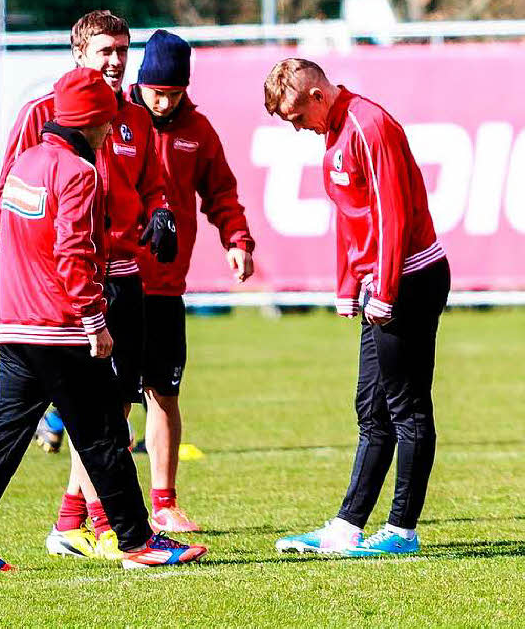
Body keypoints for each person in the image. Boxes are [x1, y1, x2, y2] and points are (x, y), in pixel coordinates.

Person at [0, 69, 206, 571]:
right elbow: (73, 252)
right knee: (105, 432)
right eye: (107, 119)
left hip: (15, 324)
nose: (113, 129)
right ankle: (137, 543)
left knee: (5, 433)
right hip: (59, 328)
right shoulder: (78, 173)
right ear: (90, 121)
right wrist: (94, 321)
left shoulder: (27, 163)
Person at [0, 10, 179, 559]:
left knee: (118, 405)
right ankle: (99, 524)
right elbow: (11, 194)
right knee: (92, 412)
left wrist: (162, 211)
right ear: (79, 56)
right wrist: (24, 278)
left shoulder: (136, 117)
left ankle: (74, 521)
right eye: (105, 51)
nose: (117, 61)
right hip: (72, 290)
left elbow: (154, 185)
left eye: (123, 50)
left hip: (125, 278)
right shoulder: (42, 114)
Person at [264, 59, 450, 557]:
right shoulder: (334, 132)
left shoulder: (370, 126)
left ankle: (402, 531)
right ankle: (346, 528)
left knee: (407, 408)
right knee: (371, 406)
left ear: (317, 96)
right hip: (380, 283)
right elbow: (351, 218)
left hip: (410, 278)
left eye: (297, 116)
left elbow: (392, 215)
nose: (297, 128)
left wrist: (385, 289)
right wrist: (348, 286)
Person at [128, 30, 256, 533]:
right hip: (117, 281)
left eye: (173, 93)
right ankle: (99, 511)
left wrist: (237, 239)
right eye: (156, 91)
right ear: (140, 84)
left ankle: (164, 501)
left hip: (165, 287)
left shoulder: (198, 131)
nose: (163, 101)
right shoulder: (118, 122)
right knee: (112, 402)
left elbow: (221, 191)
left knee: (164, 393)